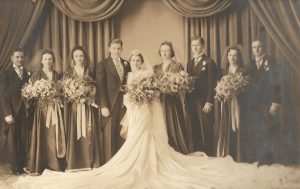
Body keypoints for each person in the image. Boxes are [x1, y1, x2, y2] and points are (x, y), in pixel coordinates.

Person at [15, 51, 300, 189]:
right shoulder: (128, 75)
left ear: (142, 60)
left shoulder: (147, 74)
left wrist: (143, 94)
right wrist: (133, 98)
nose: (137, 62)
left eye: (139, 59)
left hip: (146, 113)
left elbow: (152, 96)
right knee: (134, 146)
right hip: (135, 112)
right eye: (135, 59)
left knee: (152, 145)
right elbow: (126, 96)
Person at [27, 49, 66, 175]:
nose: (48, 61)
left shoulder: (58, 75)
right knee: (42, 135)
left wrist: (56, 97)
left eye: (50, 59)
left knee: (54, 135)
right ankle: (40, 164)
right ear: (41, 61)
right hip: (42, 111)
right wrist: (40, 93)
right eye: (45, 59)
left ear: (53, 61)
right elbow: (31, 94)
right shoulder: (35, 75)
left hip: (55, 110)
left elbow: (62, 92)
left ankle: (54, 163)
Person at [64, 46, 102, 171]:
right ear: (72, 58)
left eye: (81, 55)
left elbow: (95, 87)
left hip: (87, 107)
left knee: (88, 132)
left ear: (84, 57)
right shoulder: (68, 72)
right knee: (75, 132)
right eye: (76, 56)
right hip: (75, 108)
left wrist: (87, 95)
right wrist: (74, 96)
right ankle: (75, 163)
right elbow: (65, 90)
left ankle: (89, 162)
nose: (79, 58)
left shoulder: (90, 71)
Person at [96, 39, 131, 161]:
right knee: (109, 134)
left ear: (122, 49)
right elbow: (100, 86)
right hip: (110, 104)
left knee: (121, 132)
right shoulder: (103, 64)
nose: (116, 51)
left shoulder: (126, 63)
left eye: (119, 48)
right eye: (114, 48)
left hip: (124, 103)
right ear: (109, 49)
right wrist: (104, 106)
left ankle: (120, 162)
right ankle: (109, 162)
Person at [248, 40, 281, 165]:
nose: (256, 49)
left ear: (263, 47)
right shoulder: (250, 63)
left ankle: (269, 159)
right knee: (257, 129)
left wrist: (275, 102)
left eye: (259, 47)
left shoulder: (271, 61)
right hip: (255, 103)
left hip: (269, 102)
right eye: (254, 47)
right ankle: (260, 158)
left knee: (269, 129)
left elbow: (277, 82)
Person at [153, 41, 190, 154]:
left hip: (173, 100)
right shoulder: (156, 68)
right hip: (160, 100)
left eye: (167, 50)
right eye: (163, 50)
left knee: (173, 123)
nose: (165, 53)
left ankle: (176, 148)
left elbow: (183, 84)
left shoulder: (177, 66)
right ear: (160, 52)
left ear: (171, 52)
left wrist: (174, 87)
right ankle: (163, 150)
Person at [216, 46, 251, 162]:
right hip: (227, 104)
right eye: (230, 55)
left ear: (239, 57)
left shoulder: (243, 71)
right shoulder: (224, 71)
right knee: (227, 126)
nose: (232, 57)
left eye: (235, 55)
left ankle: (240, 155)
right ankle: (228, 153)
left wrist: (237, 90)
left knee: (239, 126)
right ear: (227, 56)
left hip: (240, 104)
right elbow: (219, 86)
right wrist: (222, 92)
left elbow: (247, 88)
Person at [0, 48, 31, 175]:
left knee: (23, 138)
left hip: (24, 111)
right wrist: (7, 113)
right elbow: (2, 95)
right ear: (11, 58)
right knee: (13, 140)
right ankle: (15, 167)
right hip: (12, 112)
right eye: (17, 57)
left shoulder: (27, 73)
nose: (20, 59)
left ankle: (23, 164)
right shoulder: (6, 74)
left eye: (22, 57)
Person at [186, 36, 217, 156]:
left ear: (203, 46)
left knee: (207, 127)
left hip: (204, 101)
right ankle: (198, 153)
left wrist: (209, 101)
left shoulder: (209, 62)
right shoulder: (190, 62)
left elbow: (212, 83)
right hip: (192, 100)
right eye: (193, 45)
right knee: (195, 127)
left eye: (197, 45)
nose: (195, 47)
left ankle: (210, 154)